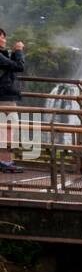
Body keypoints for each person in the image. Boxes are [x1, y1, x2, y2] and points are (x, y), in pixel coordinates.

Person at [0, 27, 25, 173]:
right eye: (2, 37)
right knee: (7, 129)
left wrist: (14, 53)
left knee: (6, 129)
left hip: (5, 97)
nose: (4, 40)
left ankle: (6, 161)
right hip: (4, 99)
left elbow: (10, 66)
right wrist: (19, 51)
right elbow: (19, 67)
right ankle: (5, 162)